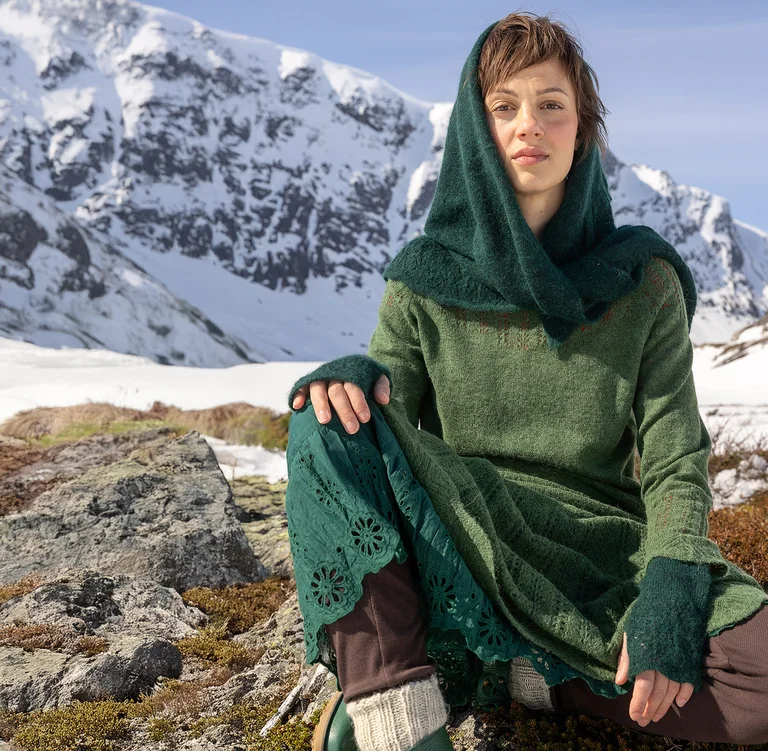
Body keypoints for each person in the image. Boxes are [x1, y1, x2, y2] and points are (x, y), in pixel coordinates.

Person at [285, 13, 768, 751]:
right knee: (324, 417)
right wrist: (352, 377)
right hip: (468, 532)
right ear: (479, 132)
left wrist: (671, 583)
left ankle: (521, 670)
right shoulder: (424, 280)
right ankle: (400, 715)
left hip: (597, 548)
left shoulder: (644, 279)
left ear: (583, 129)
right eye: (504, 107)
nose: (528, 125)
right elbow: (384, 416)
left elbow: (674, 456)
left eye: (552, 104)